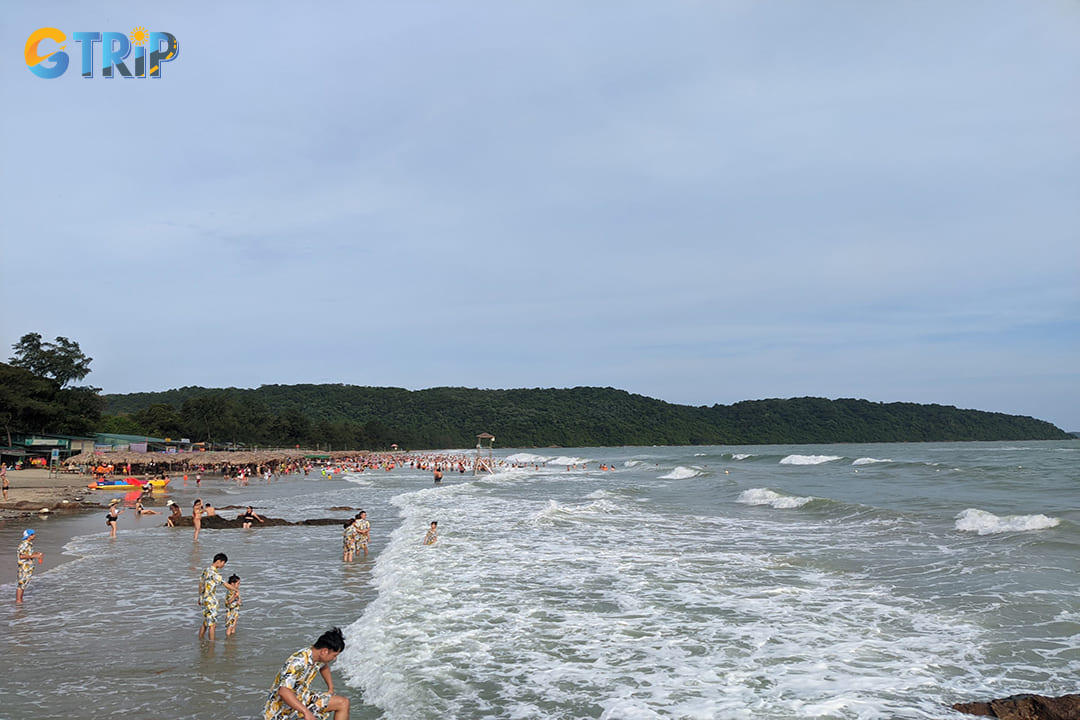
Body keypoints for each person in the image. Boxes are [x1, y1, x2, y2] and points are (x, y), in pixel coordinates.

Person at [263, 627, 351, 720]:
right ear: (324, 651)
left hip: (302, 699)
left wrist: (330, 688)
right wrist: (306, 712)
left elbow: (323, 666)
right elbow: (283, 692)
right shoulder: (298, 662)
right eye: (334, 655)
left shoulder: (316, 656)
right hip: (281, 711)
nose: (334, 659)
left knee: (343, 703)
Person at [198, 552, 228, 641]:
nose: (224, 565)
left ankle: (200, 640)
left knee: (205, 622)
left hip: (204, 599)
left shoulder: (206, 570)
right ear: (219, 561)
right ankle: (212, 645)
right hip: (211, 601)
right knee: (212, 625)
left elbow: (200, 585)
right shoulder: (215, 574)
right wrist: (236, 590)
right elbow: (225, 584)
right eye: (224, 563)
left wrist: (200, 597)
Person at [16, 529, 44, 604]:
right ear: (29, 536)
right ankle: (19, 601)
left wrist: (37, 553)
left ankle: (20, 600)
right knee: (21, 584)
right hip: (24, 567)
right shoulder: (24, 544)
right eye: (33, 534)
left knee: (24, 584)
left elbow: (28, 553)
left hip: (27, 567)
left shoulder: (29, 543)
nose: (34, 536)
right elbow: (21, 556)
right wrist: (35, 556)